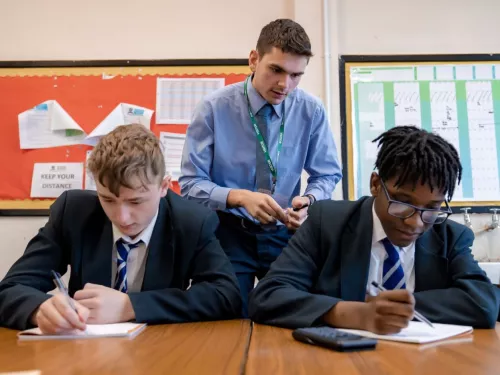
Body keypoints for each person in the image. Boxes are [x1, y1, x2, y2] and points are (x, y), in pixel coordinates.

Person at [249, 126, 498, 332]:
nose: (416, 222)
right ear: (376, 185)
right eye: (403, 203)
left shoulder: (450, 237)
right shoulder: (327, 222)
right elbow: (268, 296)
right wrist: (354, 313)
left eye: (431, 208)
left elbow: (483, 304)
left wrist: (391, 310)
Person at [0, 124, 241, 333]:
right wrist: (39, 309)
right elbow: (10, 289)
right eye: (108, 199)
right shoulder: (73, 212)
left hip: (161, 352)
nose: (122, 217)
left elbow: (226, 295)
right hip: (82, 354)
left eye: (136, 201)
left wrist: (131, 306)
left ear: (164, 186)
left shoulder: (192, 221)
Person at [179, 19, 342, 315]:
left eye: (296, 75)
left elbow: (327, 173)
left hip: (285, 232)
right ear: (254, 59)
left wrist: (310, 201)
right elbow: (190, 185)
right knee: (227, 320)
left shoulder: (310, 110)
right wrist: (240, 197)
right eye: (276, 70)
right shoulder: (214, 109)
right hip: (227, 232)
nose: (285, 84)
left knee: (290, 315)